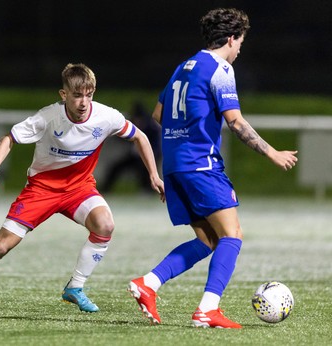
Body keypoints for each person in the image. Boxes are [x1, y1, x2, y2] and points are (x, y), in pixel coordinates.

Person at [0, 63, 164, 313]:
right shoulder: (47, 117)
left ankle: (75, 287)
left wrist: (154, 174)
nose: (83, 102)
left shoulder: (106, 117)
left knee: (105, 224)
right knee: (0, 246)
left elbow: (140, 136)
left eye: (89, 94)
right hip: (42, 189)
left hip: (79, 189)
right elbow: (9, 138)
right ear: (64, 95)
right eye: (77, 95)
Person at [128, 8, 298, 328]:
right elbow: (235, 121)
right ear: (231, 39)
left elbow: (159, 114)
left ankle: (148, 283)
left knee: (209, 240)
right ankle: (207, 310)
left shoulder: (182, 67)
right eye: (240, 43)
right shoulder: (219, 68)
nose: (239, 50)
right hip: (201, 166)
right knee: (232, 235)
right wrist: (272, 152)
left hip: (175, 166)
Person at [102, 101, 161, 193]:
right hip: (134, 157)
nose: (137, 121)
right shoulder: (133, 123)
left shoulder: (152, 127)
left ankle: (147, 190)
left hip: (149, 156)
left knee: (144, 169)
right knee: (116, 167)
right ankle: (106, 189)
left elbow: (156, 146)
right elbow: (124, 137)